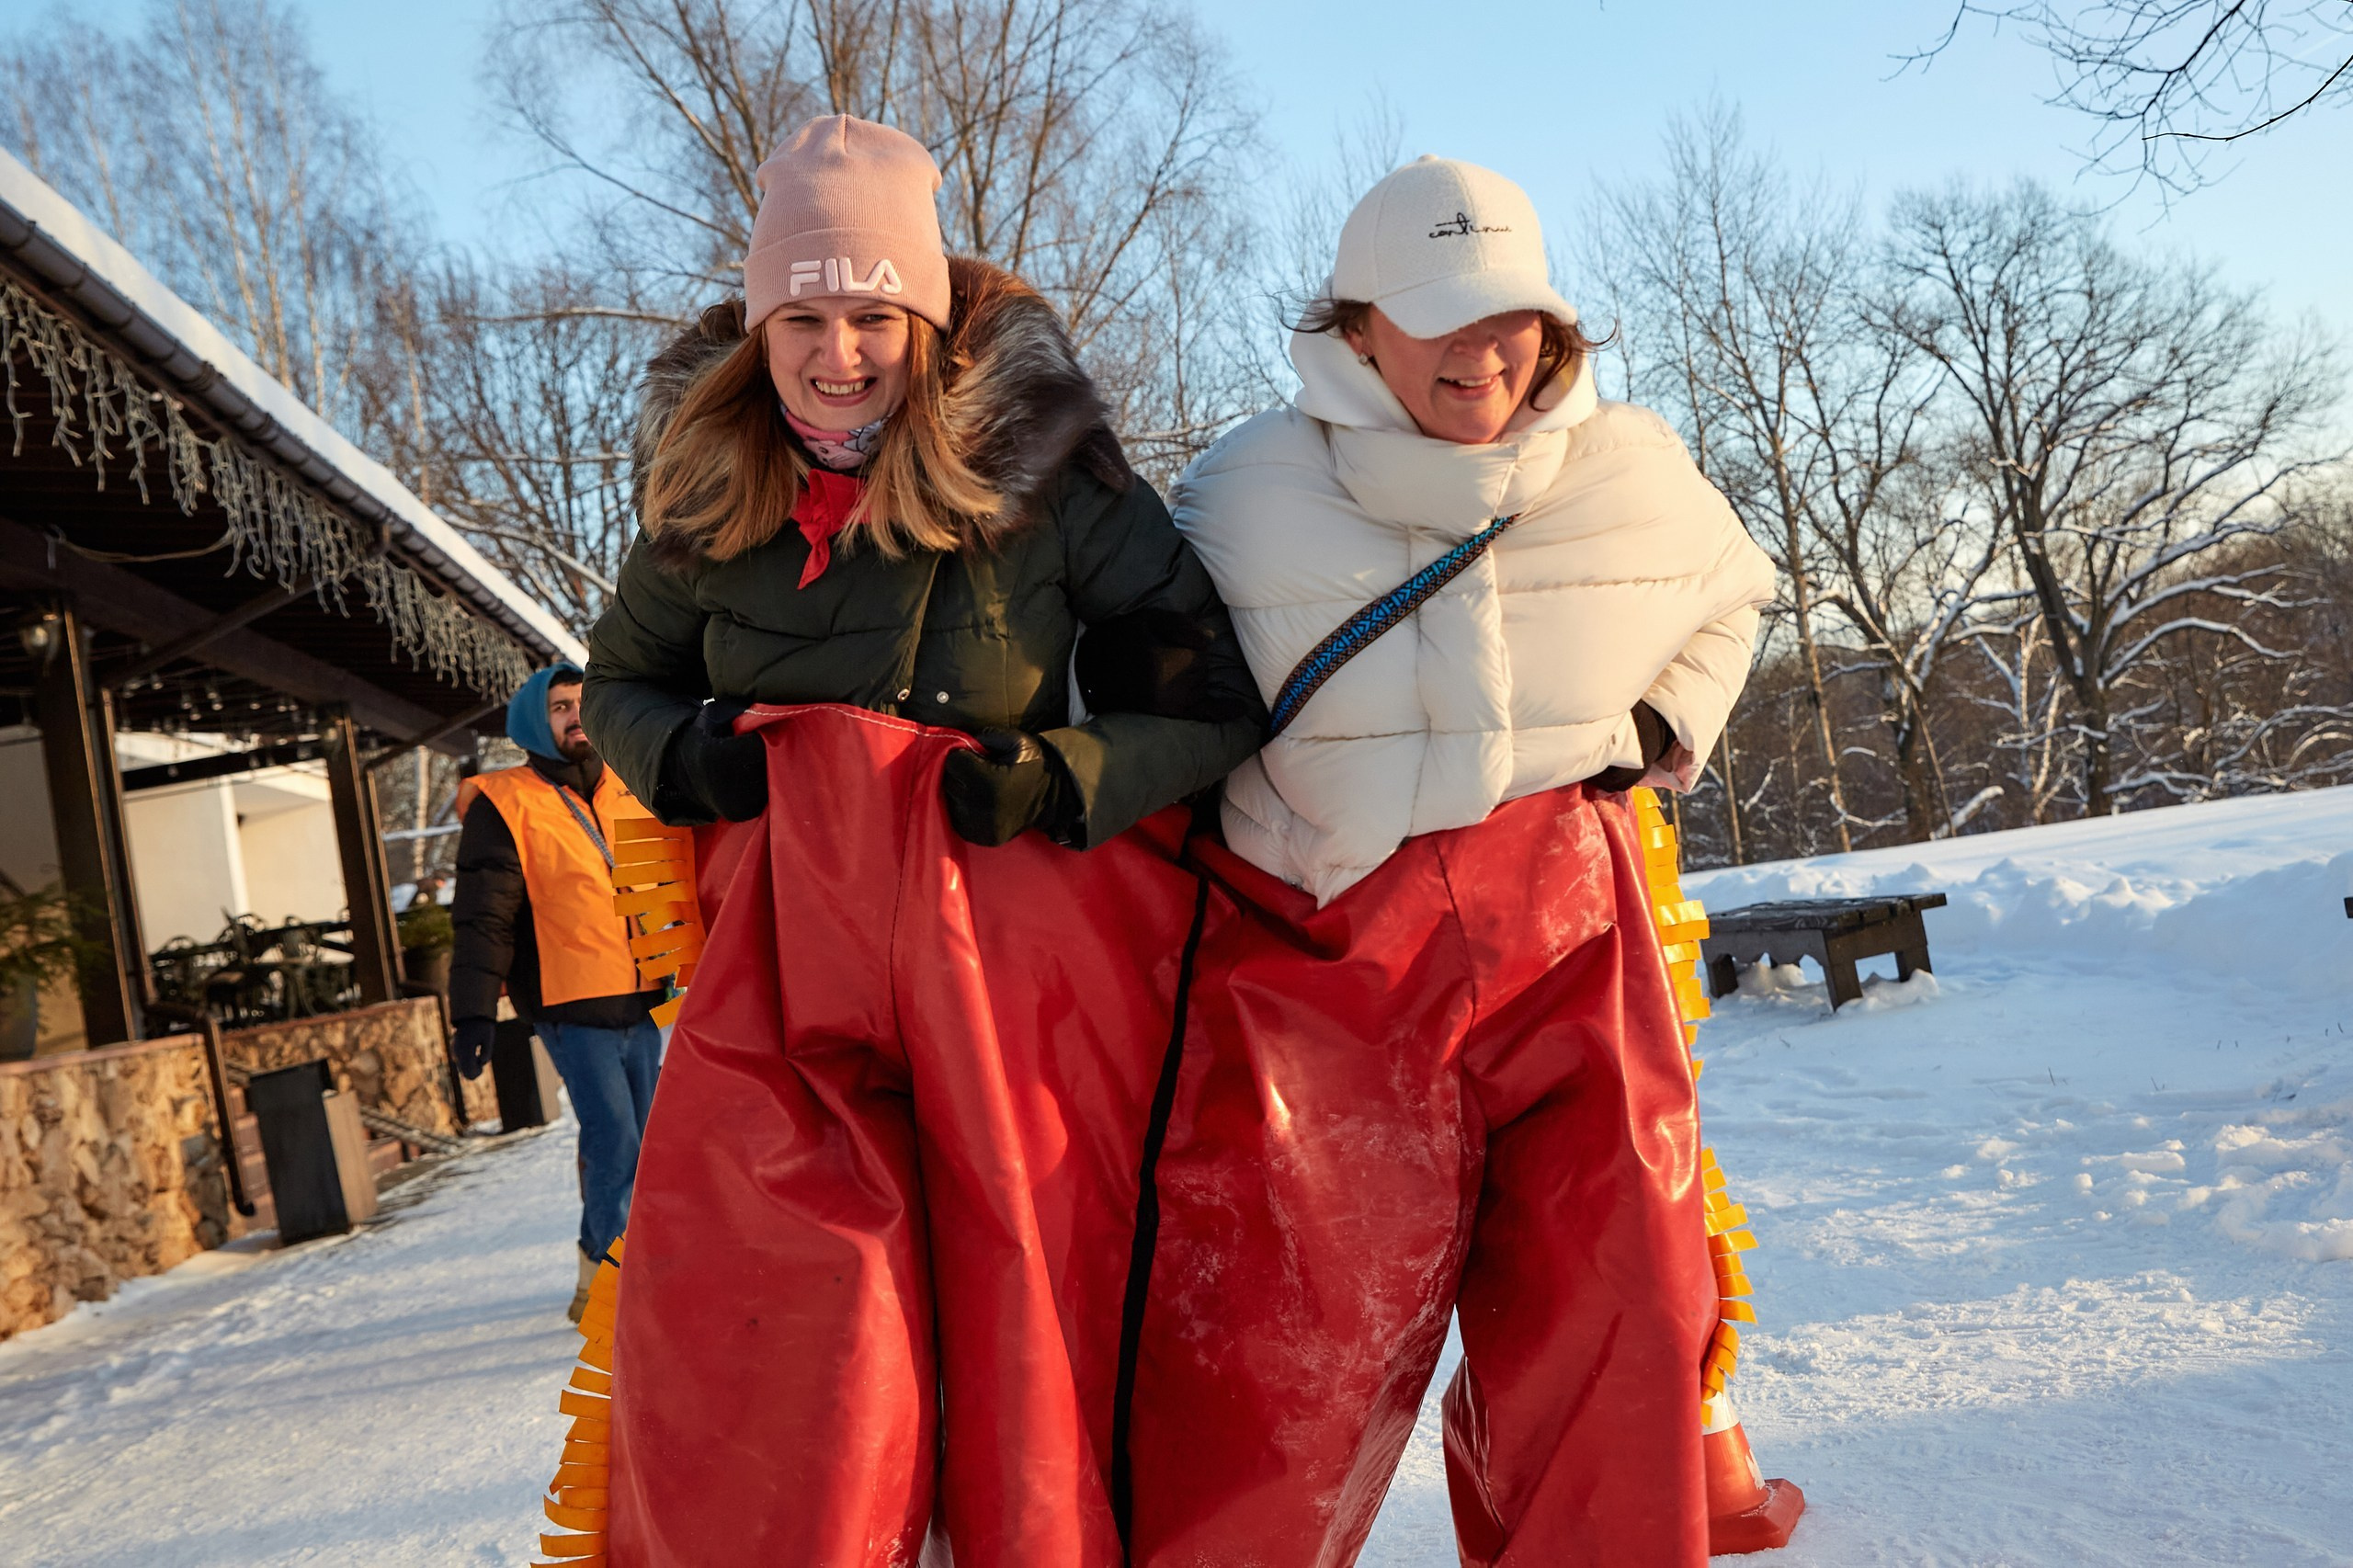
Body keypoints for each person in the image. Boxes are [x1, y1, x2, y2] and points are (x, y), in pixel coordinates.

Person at [575, 115, 1264, 1563]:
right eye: (805, 317)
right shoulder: (705, 495)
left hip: (1005, 973)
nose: (841, 356)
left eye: (876, 315)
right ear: (759, 325)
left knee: (1024, 1322)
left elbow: (1211, 695)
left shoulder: (1048, 477)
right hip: (784, 969)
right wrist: (681, 755)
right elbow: (622, 680)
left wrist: (1067, 773)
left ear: (931, 321)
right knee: (794, 1338)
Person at [1120, 156, 1779, 1566]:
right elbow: (1147, 691)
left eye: (1510, 317)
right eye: (1439, 317)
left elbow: (1737, 591)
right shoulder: (1244, 488)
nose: (1483, 354)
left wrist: (1665, 723)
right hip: (1326, 957)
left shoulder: (1635, 469)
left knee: (1616, 1328)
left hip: (1571, 935)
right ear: (1358, 327)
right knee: (1284, 1366)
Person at [449, 664, 665, 1323]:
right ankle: (610, 1288)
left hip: (640, 996)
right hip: (569, 1004)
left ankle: (608, 1268)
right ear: (529, 723)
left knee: (644, 1144)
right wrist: (473, 1013)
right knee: (618, 1142)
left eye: (583, 703)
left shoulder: (623, 787)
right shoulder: (504, 803)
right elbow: (483, 917)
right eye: (561, 707)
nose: (577, 715)